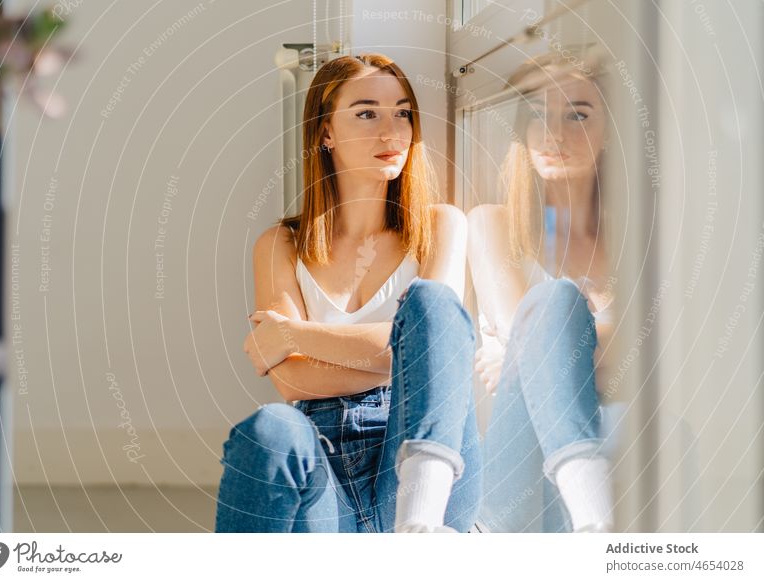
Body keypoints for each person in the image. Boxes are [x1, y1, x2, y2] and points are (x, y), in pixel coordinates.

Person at [215, 53, 481, 533]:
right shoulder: (281, 245)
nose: (392, 131)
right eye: (366, 112)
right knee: (269, 430)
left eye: (402, 112)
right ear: (325, 132)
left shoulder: (441, 226)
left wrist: (294, 336)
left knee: (435, 307)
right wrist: (400, 353)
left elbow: (438, 345)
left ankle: (419, 534)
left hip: (424, 468)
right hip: (326, 474)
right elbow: (294, 383)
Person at [468, 51, 623, 533]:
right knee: (555, 302)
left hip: (609, 442)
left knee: (652, 425)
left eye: (577, 115)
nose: (555, 134)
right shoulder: (493, 226)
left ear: (608, 131)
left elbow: (659, 362)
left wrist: (522, 353)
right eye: (537, 115)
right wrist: (605, 343)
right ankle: (594, 517)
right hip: (512, 479)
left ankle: (593, 524)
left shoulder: (631, 241)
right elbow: (538, 347)